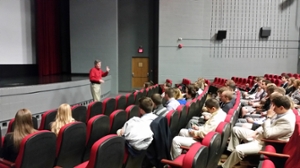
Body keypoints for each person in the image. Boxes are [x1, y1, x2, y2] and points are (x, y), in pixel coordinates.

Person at [219, 95, 296, 168]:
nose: (272, 109)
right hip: (261, 135)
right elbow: (264, 125)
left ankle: (224, 166)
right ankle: (233, 157)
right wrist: (255, 132)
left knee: (238, 149)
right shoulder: (281, 112)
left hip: (266, 142)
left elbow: (268, 135)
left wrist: (268, 117)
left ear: (281, 108)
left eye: (274, 106)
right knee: (236, 129)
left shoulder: (287, 120)